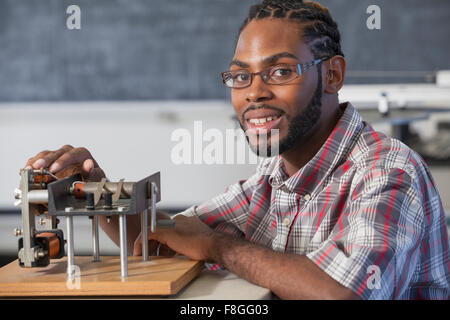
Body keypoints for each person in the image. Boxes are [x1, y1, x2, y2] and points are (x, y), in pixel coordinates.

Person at [24, 0, 450, 299]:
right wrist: (97, 187)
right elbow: (163, 240)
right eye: (239, 77)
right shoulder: (271, 182)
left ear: (333, 75)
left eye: (281, 71)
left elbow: (343, 294)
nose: (254, 93)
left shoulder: (390, 171)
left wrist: (219, 247)